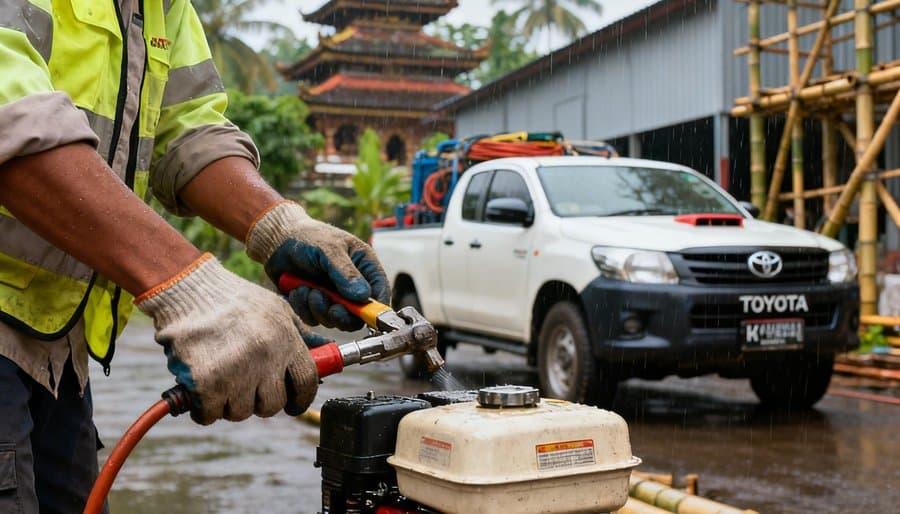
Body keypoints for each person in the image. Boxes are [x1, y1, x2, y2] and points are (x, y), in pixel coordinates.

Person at [0, 1, 389, 512]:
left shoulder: (161, 6)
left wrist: (279, 225)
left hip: (59, 354)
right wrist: (191, 289)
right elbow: (11, 117)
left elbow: (187, 130)